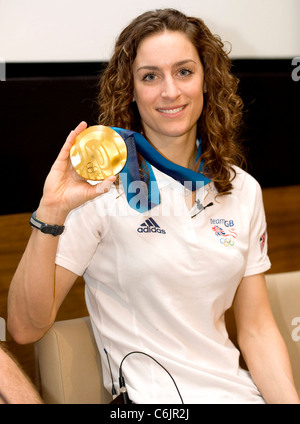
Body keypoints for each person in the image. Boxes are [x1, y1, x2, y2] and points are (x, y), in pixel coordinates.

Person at [7, 9, 299, 404]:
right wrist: (51, 213)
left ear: (206, 81)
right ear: (129, 88)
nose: (170, 92)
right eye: (150, 76)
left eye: (184, 72)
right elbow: (25, 327)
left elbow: (257, 329)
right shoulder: (100, 189)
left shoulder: (241, 188)